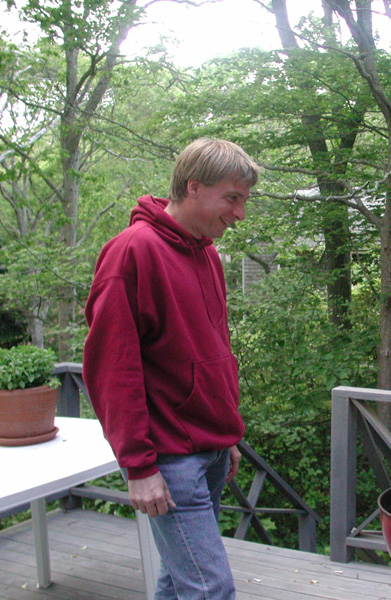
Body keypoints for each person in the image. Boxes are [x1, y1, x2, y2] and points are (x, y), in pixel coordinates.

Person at [83, 138, 261, 600]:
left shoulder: (207, 254)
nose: (240, 213)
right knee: (209, 588)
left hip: (211, 449)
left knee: (177, 581)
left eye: (243, 200)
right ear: (194, 187)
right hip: (170, 458)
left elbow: (213, 350)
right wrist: (138, 466)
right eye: (232, 198)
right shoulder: (132, 252)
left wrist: (227, 434)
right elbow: (111, 369)